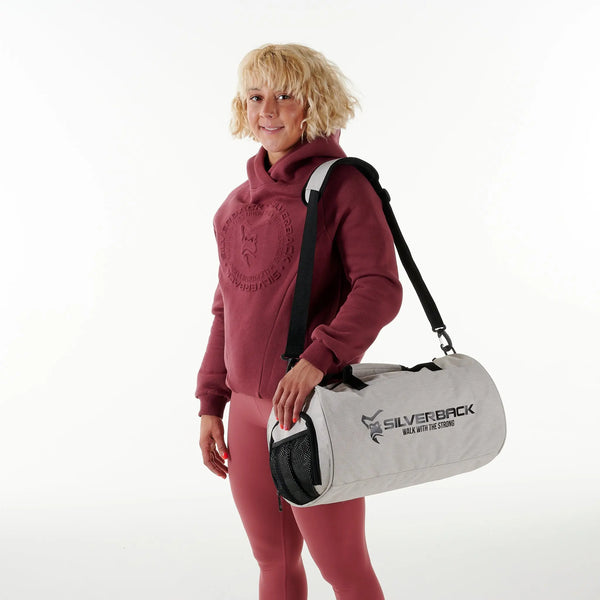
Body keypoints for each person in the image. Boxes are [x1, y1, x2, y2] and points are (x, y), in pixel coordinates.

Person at [196, 43, 402, 600]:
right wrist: (212, 401)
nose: (267, 109)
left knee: (344, 569)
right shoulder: (234, 206)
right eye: (255, 96)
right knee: (274, 562)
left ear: (314, 104)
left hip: (311, 409)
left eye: (285, 96)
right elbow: (226, 309)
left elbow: (379, 288)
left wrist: (317, 360)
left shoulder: (344, 186)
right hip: (245, 411)